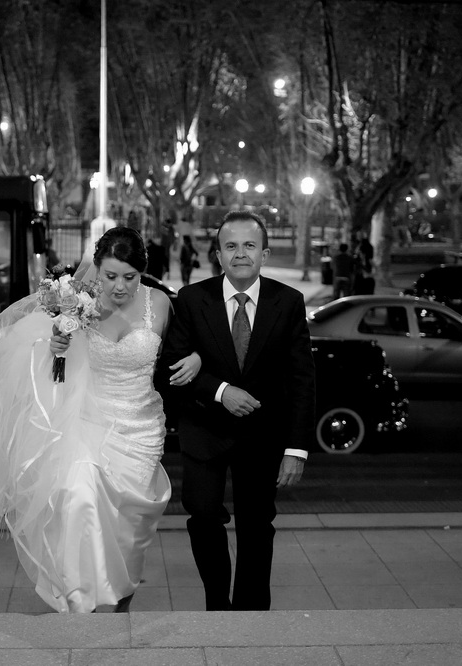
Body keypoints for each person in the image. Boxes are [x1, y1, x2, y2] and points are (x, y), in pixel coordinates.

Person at [0, 226, 200, 613]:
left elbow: (187, 346)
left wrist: (196, 358)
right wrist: (55, 348)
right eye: (109, 276)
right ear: (96, 270)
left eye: (129, 277)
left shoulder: (160, 303)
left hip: (140, 426)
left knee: (131, 529)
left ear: (141, 273)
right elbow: (44, 367)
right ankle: (80, 600)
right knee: (79, 499)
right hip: (87, 421)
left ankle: (122, 596)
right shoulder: (75, 304)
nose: (118, 286)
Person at [162, 210, 316, 611]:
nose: (240, 254)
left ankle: (250, 613)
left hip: (262, 436)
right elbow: (172, 367)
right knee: (203, 515)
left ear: (264, 254)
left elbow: (301, 380)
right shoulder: (194, 299)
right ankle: (217, 601)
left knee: (257, 528)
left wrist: (296, 449)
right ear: (217, 255)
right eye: (231, 246)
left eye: (249, 245)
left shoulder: (289, 302)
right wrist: (221, 390)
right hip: (205, 429)